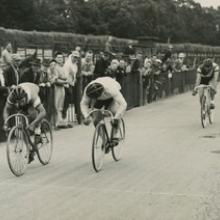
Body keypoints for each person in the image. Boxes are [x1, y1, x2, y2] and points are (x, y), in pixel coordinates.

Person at [3, 83, 46, 163]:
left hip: (37, 91)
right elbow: (6, 110)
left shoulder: (32, 96)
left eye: (22, 101)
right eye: (18, 101)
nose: (20, 103)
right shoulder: (12, 97)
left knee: (33, 113)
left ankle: (38, 132)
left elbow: (43, 112)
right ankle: (29, 148)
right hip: (25, 94)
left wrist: (33, 124)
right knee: (21, 125)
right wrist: (6, 122)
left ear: (25, 97)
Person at [80, 77, 127, 145]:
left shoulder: (111, 89)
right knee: (96, 119)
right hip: (99, 99)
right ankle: (104, 140)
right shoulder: (88, 90)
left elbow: (123, 104)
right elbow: (84, 103)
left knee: (114, 111)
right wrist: (86, 116)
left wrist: (116, 118)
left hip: (111, 97)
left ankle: (115, 135)